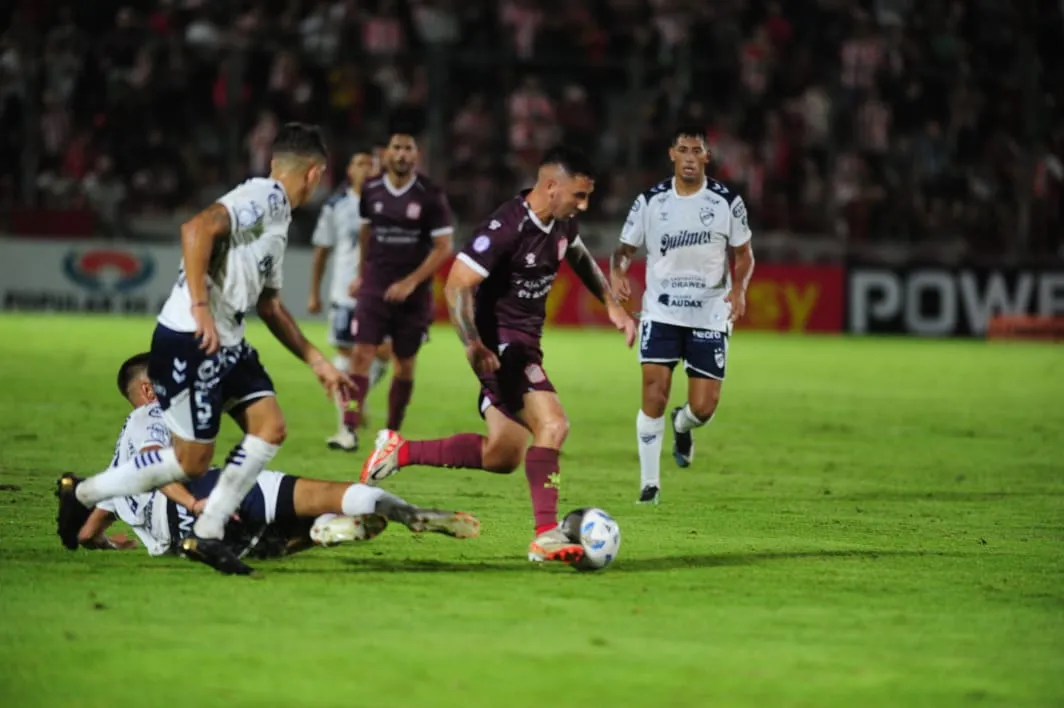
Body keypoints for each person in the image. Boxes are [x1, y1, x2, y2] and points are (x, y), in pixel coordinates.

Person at [56, 123, 354, 575]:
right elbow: (196, 228)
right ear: (316, 174)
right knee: (190, 461)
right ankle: (82, 494)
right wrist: (199, 307)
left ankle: (206, 531)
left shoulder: (277, 218)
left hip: (227, 340)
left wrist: (316, 359)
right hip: (191, 337)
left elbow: (270, 306)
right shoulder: (266, 196)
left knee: (269, 427)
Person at [359, 146, 637, 566]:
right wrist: (472, 343)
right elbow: (456, 285)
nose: (584, 205)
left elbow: (577, 253)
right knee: (554, 424)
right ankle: (546, 534)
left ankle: (400, 450)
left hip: (525, 343)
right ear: (550, 187)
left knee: (503, 454)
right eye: (579, 196)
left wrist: (611, 303)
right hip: (502, 349)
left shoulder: (562, 223)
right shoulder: (505, 227)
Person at [72, 353, 479, 559]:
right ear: (146, 391)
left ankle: (317, 532)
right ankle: (408, 512)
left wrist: (111, 545)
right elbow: (156, 469)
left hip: (183, 540)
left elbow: (88, 533)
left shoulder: (116, 468)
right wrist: (195, 501)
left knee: (294, 529)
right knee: (327, 492)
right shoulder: (152, 414)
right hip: (206, 497)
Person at [609, 126, 756, 505]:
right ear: (671, 155)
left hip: (709, 313)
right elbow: (624, 249)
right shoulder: (651, 202)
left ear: (707, 157)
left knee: (704, 408)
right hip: (661, 311)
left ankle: (683, 423)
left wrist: (738, 290)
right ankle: (649, 485)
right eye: (683, 150)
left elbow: (744, 254)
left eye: (697, 150)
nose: (690, 157)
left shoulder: (726, 202)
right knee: (653, 394)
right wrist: (618, 270)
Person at [343, 129, 454, 435]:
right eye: (397, 148)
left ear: (417, 155)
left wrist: (410, 282)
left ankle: (391, 432)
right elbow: (366, 234)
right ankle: (348, 426)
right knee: (361, 353)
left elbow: (443, 247)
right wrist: (361, 274)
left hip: (414, 294)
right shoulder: (371, 189)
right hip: (376, 283)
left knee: (404, 363)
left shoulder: (431, 194)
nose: (402, 154)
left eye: (408, 148)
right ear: (386, 154)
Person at [309, 147, 392, 451]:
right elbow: (322, 250)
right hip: (344, 295)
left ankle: (357, 397)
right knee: (346, 358)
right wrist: (314, 293)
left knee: (385, 354)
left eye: (371, 164)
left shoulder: (388, 204)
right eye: (359, 162)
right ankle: (347, 429)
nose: (366, 168)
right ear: (349, 171)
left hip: (379, 294)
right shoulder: (336, 205)